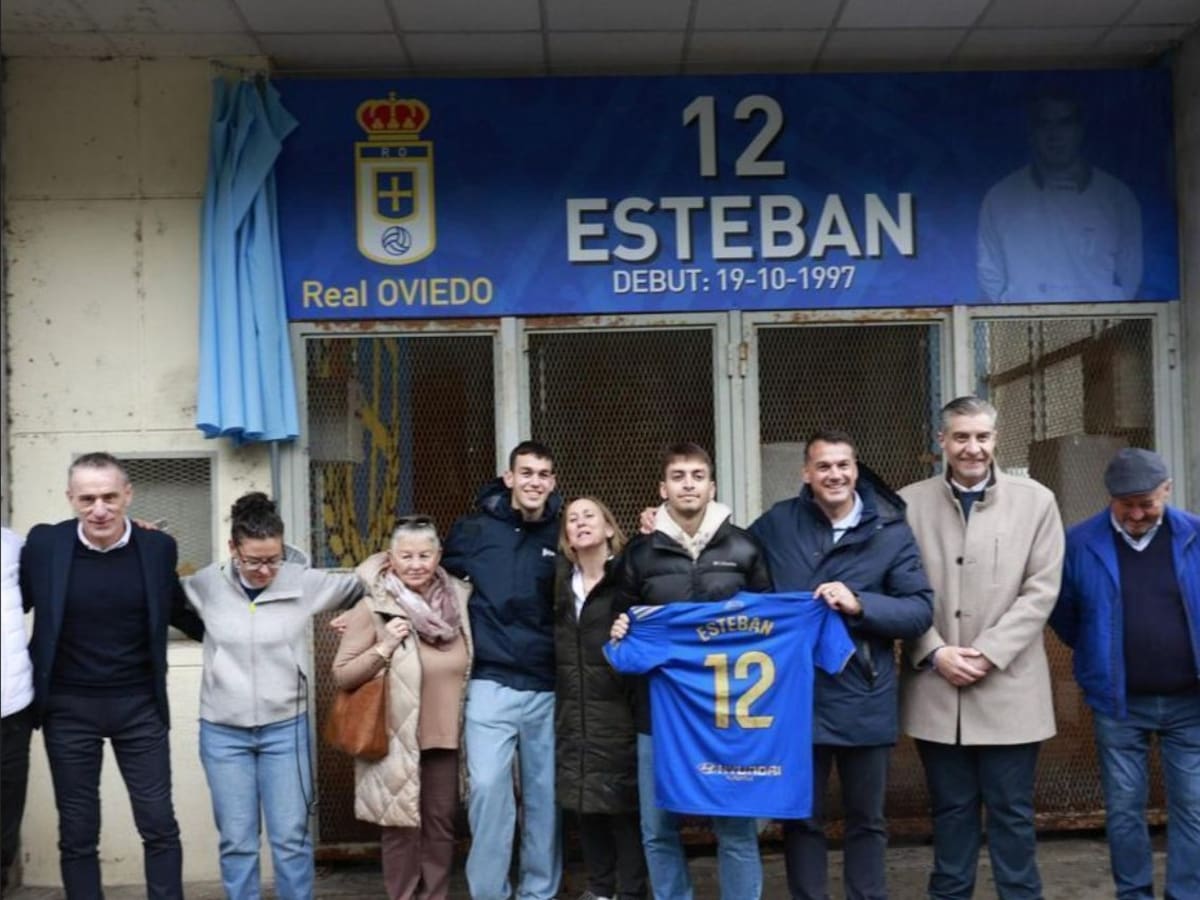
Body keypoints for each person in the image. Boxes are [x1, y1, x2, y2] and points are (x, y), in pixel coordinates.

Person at [747, 430, 933, 900]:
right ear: (806, 474)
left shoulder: (890, 531)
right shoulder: (777, 523)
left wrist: (860, 604)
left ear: (856, 470)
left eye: (843, 465)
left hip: (863, 695)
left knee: (866, 820)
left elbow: (918, 611)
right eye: (824, 467)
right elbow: (727, 564)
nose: (835, 475)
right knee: (801, 818)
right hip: (795, 696)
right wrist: (662, 526)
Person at [898, 397, 1064, 900]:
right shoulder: (908, 504)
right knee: (950, 811)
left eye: (982, 437)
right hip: (936, 685)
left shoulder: (1037, 501)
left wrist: (988, 652)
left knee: (1013, 811)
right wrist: (934, 650)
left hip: (1010, 687)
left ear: (996, 439)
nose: (973, 448)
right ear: (942, 442)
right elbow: (898, 587)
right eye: (961, 437)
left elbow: (1042, 590)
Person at [18, 452, 204, 898]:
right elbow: (12, 605)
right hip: (68, 709)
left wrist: (243, 633)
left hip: (139, 706)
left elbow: (180, 612)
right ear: (70, 498)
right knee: (79, 831)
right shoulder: (45, 546)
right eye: (86, 499)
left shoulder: (158, 548)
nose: (98, 509)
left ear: (128, 495)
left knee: (158, 823)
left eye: (108, 497)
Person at [181, 492, 363, 899]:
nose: (265, 570)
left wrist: (357, 614)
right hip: (223, 732)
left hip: (286, 730)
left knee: (291, 838)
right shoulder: (208, 583)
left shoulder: (303, 580)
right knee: (237, 841)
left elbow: (366, 584)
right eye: (253, 560)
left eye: (273, 559)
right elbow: (156, 589)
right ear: (233, 549)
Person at [611, 442, 771, 900]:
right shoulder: (640, 555)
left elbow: (768, 624)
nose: (688, 484)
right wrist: (623, 633)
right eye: (678, 475)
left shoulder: (743, 547)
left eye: (697, 475)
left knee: (736, 828)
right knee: (658, 828)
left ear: (711, 485)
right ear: (662, 487)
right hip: (657, 715)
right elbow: (619, 632)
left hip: (726, 714)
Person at [1049, 448, 1200, 900]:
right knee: (1123, 809)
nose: (1136, 513)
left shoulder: (1195, 535)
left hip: (1190, 701)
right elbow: (1065, 614)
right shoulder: (1080, 542)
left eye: (1146, 503)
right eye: (1126, 503)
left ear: (1167, 491)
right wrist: (1100, 650)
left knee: (1193, 806)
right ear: (1110, 497)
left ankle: (1186, 894)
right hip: (1118, 701)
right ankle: (1133, 893)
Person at [441, 441, 563, 900]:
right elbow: (423, 572)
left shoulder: (563, 533)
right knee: (489, 791)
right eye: (526, 472)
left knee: (544, 798)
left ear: (552, 482)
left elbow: (604, 566)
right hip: (490, 680)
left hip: (548, 684)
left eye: (544, 474)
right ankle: (491, 892)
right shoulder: (473, 531)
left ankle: (539, 891)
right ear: (509, 477)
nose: (535, 482)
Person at [333, 515, 473, 900]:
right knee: (400, 830)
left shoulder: (461, 600)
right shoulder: (374, 606)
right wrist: (384, 647)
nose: (416, 564)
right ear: (390, 558)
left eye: (424, 555)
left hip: (446, 738)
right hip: (395, 739)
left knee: (441, 827)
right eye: (406, 555)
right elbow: (343, 674)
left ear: (439, 556)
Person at [554, 497, 646, 900]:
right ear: (567, 537)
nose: (580, 522)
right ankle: (599, 889)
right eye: (572, 519)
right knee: (586, 805)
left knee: (624, 809)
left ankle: (631, 892)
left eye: (589, 515)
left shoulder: (627, 579)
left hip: (619, 711)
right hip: (575, 712)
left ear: (610, 528)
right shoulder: (558, 583)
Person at [978, 91, 1142, 302]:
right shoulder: (1000, 197)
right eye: (1044, 124)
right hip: (1022, 330)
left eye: (1065, 123)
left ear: (1080, 130)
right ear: (1032, 133)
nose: (1054, 135)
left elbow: (1130, 274)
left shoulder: (1117, 196)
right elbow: (990, 274)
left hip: (1101, 330)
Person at [2, 527, 34, 893]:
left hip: (10, 713)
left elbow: (74, 542)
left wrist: (133, 530)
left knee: (5, 830)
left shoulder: (13, 546)